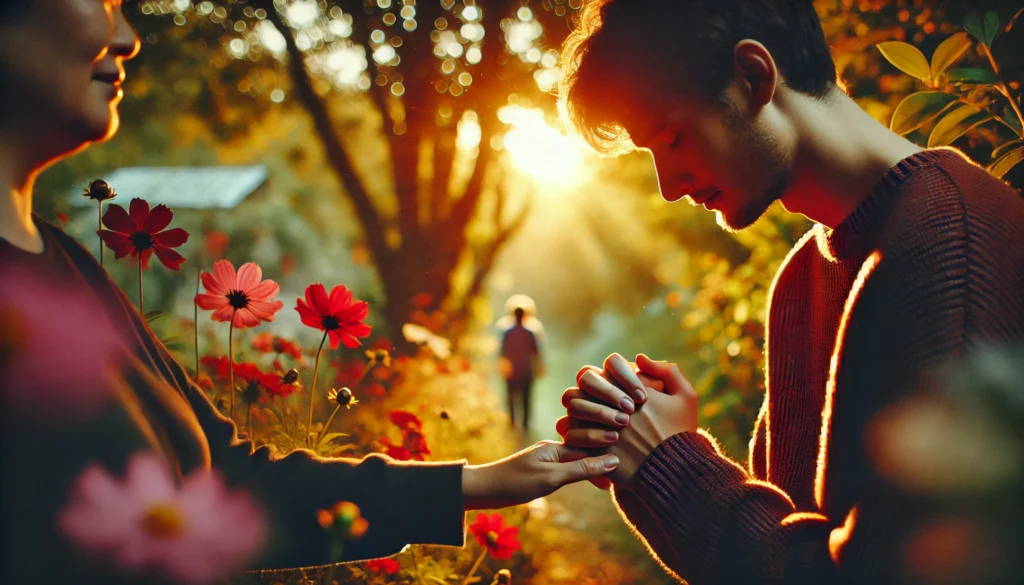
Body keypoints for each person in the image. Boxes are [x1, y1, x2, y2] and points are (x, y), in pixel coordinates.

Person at [0, 2, 619, 582]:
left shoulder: (70, 264)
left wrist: (478, 483)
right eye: (104, 2)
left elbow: (233, 482)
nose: (129, 37)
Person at [553, 0, 1024, 583]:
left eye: (673, 138)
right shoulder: (802, 278)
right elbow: (784, 549)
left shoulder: (953, 245)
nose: (668, 187)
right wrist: (649, 453)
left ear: (754, 77)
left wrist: (671, 464)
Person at [498, 299, 544, 431]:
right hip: (526, 371)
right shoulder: (530, 333)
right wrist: (539, 368)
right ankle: (525, 426)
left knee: (511, 398)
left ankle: (512, 424)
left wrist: (503, 368)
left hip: (512, 372)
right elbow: (536, 353)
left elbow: (503, 353)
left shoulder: (507, 333)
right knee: (526, 399)